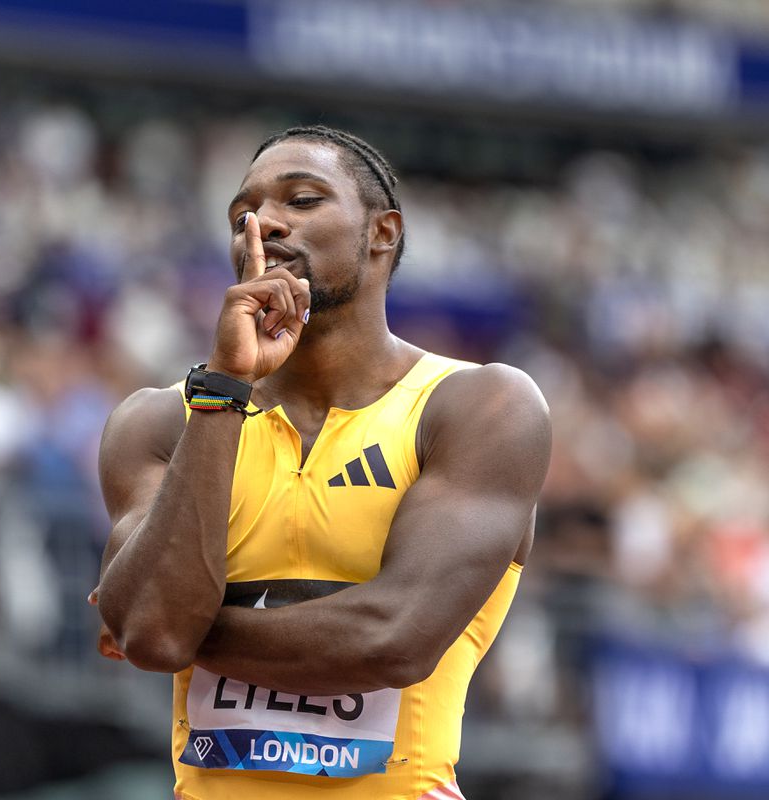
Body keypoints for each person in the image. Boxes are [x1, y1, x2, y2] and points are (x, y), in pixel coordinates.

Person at [93, 125, 551, 800]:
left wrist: (177, 631)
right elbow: (152, 631)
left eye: (302, 200)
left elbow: (393, 640)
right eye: (243, 214)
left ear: (382, 233)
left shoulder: (480, 406)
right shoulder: (159, 421)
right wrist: (224, 389)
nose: (265, 222)